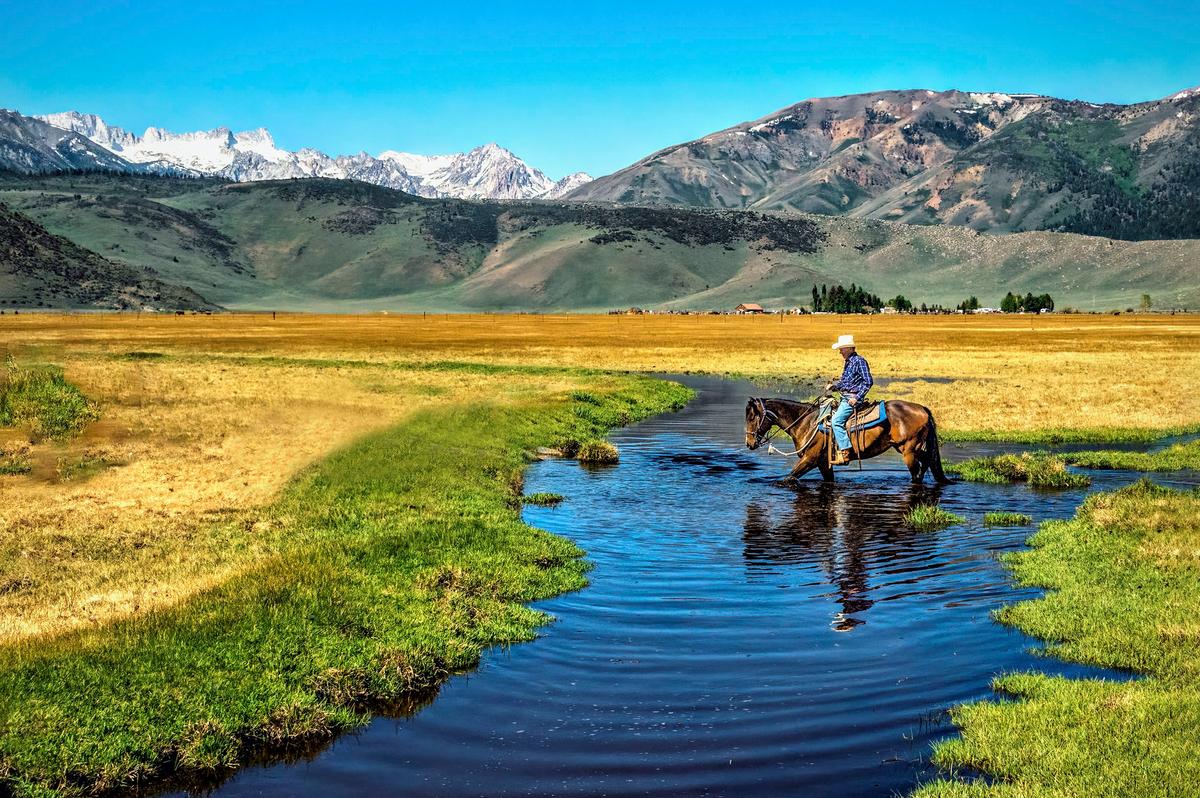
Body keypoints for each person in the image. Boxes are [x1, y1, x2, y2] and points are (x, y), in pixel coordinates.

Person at [824, 334, 872, 465]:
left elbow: (868, 382)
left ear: (850, 348)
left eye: (842, 349)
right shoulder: (849, 362)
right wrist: (834, 387)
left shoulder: (859, 361)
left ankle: (846, 451)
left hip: (852, 399)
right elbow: (845, 382)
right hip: (845, 396)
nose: (840, 352)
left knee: (836, 421)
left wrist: (857, 398)